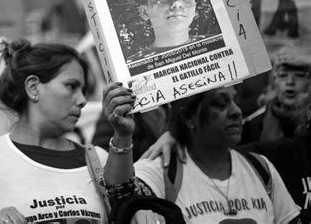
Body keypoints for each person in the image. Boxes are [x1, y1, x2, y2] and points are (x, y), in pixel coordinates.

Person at [0, 39, 129, 223]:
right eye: (71, 86)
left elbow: (130, 212)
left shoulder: (100, 160)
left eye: (83, 90)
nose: (82, 100)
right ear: (33, 87)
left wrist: (123, 136)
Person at [102, 84, 301, 223]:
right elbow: (121, 196)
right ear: (189, 117)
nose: (236, 111)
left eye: (235, 100)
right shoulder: (163, 169)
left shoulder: (261, 168)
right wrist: (122, 134)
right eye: (221, 104)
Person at [241, 45, 311, 144]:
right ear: (273, 82)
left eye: (299, 75)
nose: (290, 81)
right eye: (283, 75)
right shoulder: (251, 127)